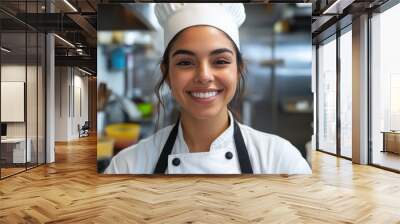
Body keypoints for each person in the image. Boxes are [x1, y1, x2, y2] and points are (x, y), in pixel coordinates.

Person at [104, 3, 312, 174]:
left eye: (220, 61)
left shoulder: (281, 161)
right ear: (167, 74)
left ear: (238, 69)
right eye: (185, 62)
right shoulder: (126, 166)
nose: (204, 76)